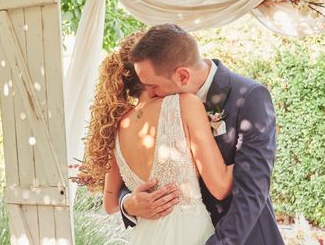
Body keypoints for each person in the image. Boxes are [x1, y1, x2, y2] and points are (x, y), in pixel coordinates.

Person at [120, 23, 284, 245]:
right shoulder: (162, 107)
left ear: (183, 76)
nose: (147, 93)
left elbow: (252, 192)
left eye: (153, 85)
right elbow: (137, 173)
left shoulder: (249, 97)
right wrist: (128, 204)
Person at [82, 31, 234, 245]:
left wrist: (129, 204)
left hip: (145, 236)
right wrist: (251, 149)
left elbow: (110, 204)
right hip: (189, 234)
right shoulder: (184, 104)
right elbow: (220, 187)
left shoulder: (116, 126)